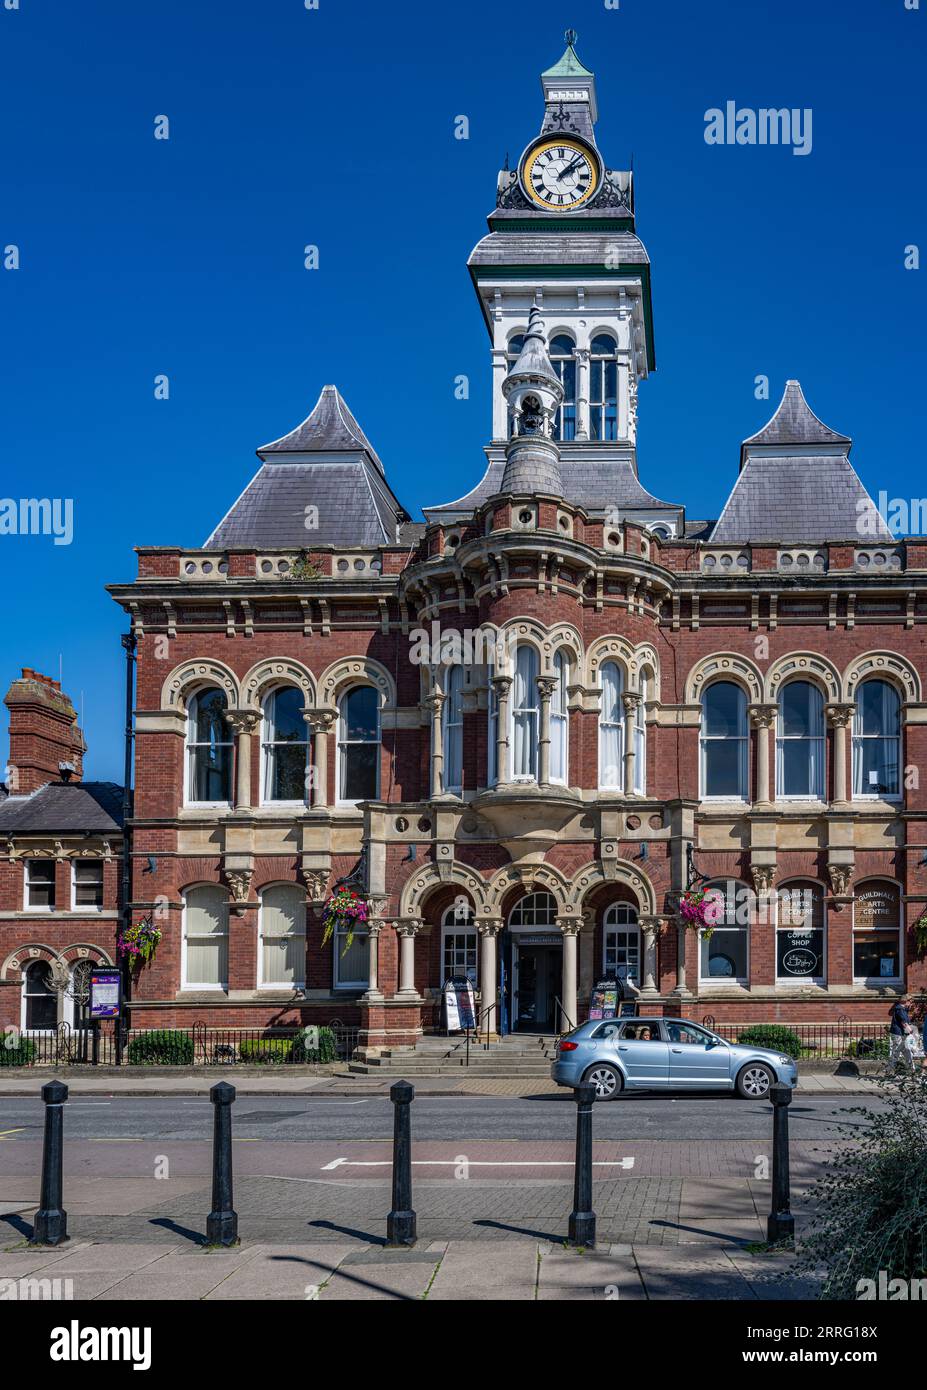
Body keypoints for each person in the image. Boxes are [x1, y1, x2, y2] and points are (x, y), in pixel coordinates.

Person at [889, 997, 915, 1071]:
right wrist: (911, 1031)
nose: (911, 1003)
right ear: (906, 1000)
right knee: (896, 1051)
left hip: (901, 1033)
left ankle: (911, 1069)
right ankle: (889, 1070)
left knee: (906, 1050)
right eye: (911, 1001)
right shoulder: (900, 1009)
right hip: (898, 1033)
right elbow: (904, 1022)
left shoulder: (903, 1009)